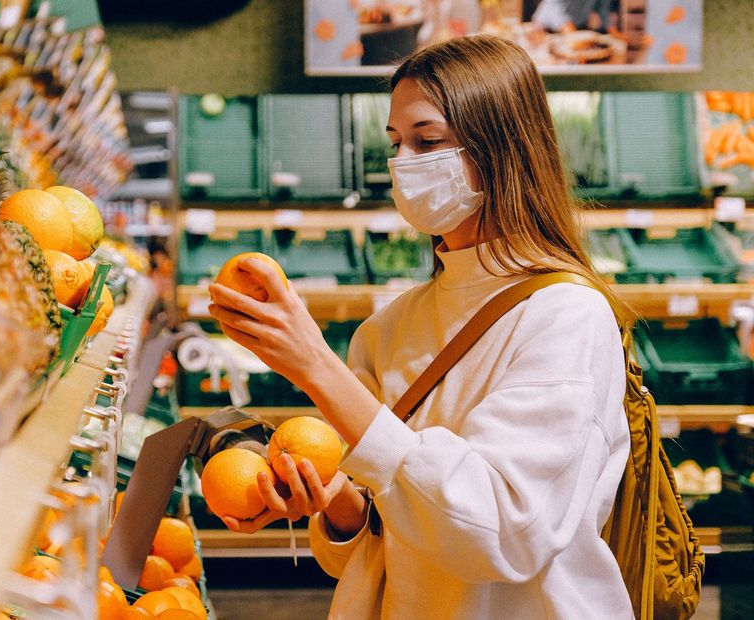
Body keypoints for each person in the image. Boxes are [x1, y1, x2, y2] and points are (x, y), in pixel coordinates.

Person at [207, 34, 634, 619]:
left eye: (427, 141)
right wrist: (330, 501)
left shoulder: (567, 317)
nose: (404, 164)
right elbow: (378, 538)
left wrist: (314, 365)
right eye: (396, 143)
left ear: (502, 149)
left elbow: (501, 533)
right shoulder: (389, 329)